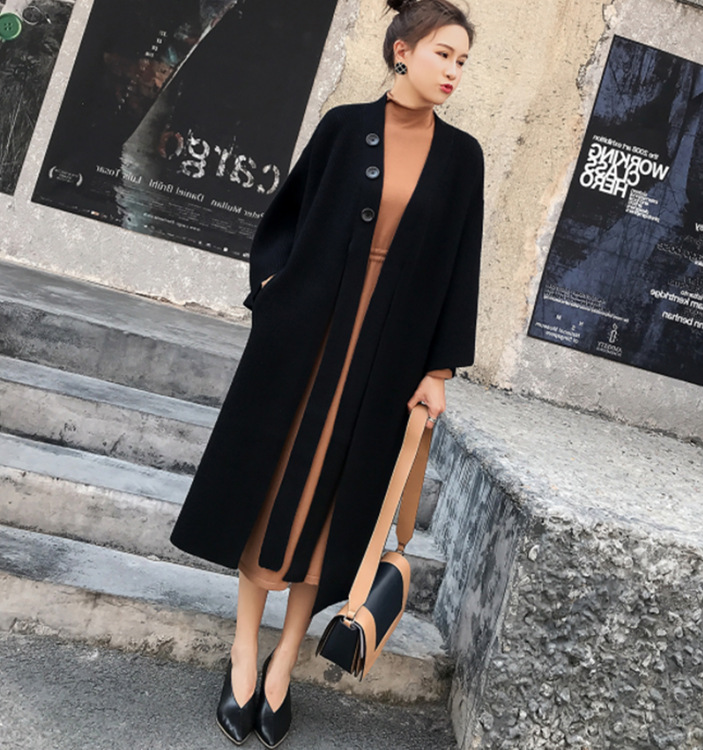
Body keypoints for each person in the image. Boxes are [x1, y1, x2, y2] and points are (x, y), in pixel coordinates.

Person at [170, 0, 483, 745]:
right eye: (443, 54)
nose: (453, 71)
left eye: (463, 61)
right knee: (274, 485)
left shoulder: (463, 157)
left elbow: (461, 265)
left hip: (389, 356)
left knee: (337, 507)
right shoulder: (345, 129)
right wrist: (274, 295)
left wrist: (438, 369)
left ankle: (284, 661)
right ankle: (243, 650)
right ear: (402, 51)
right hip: (305, 344)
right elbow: (284, 219)